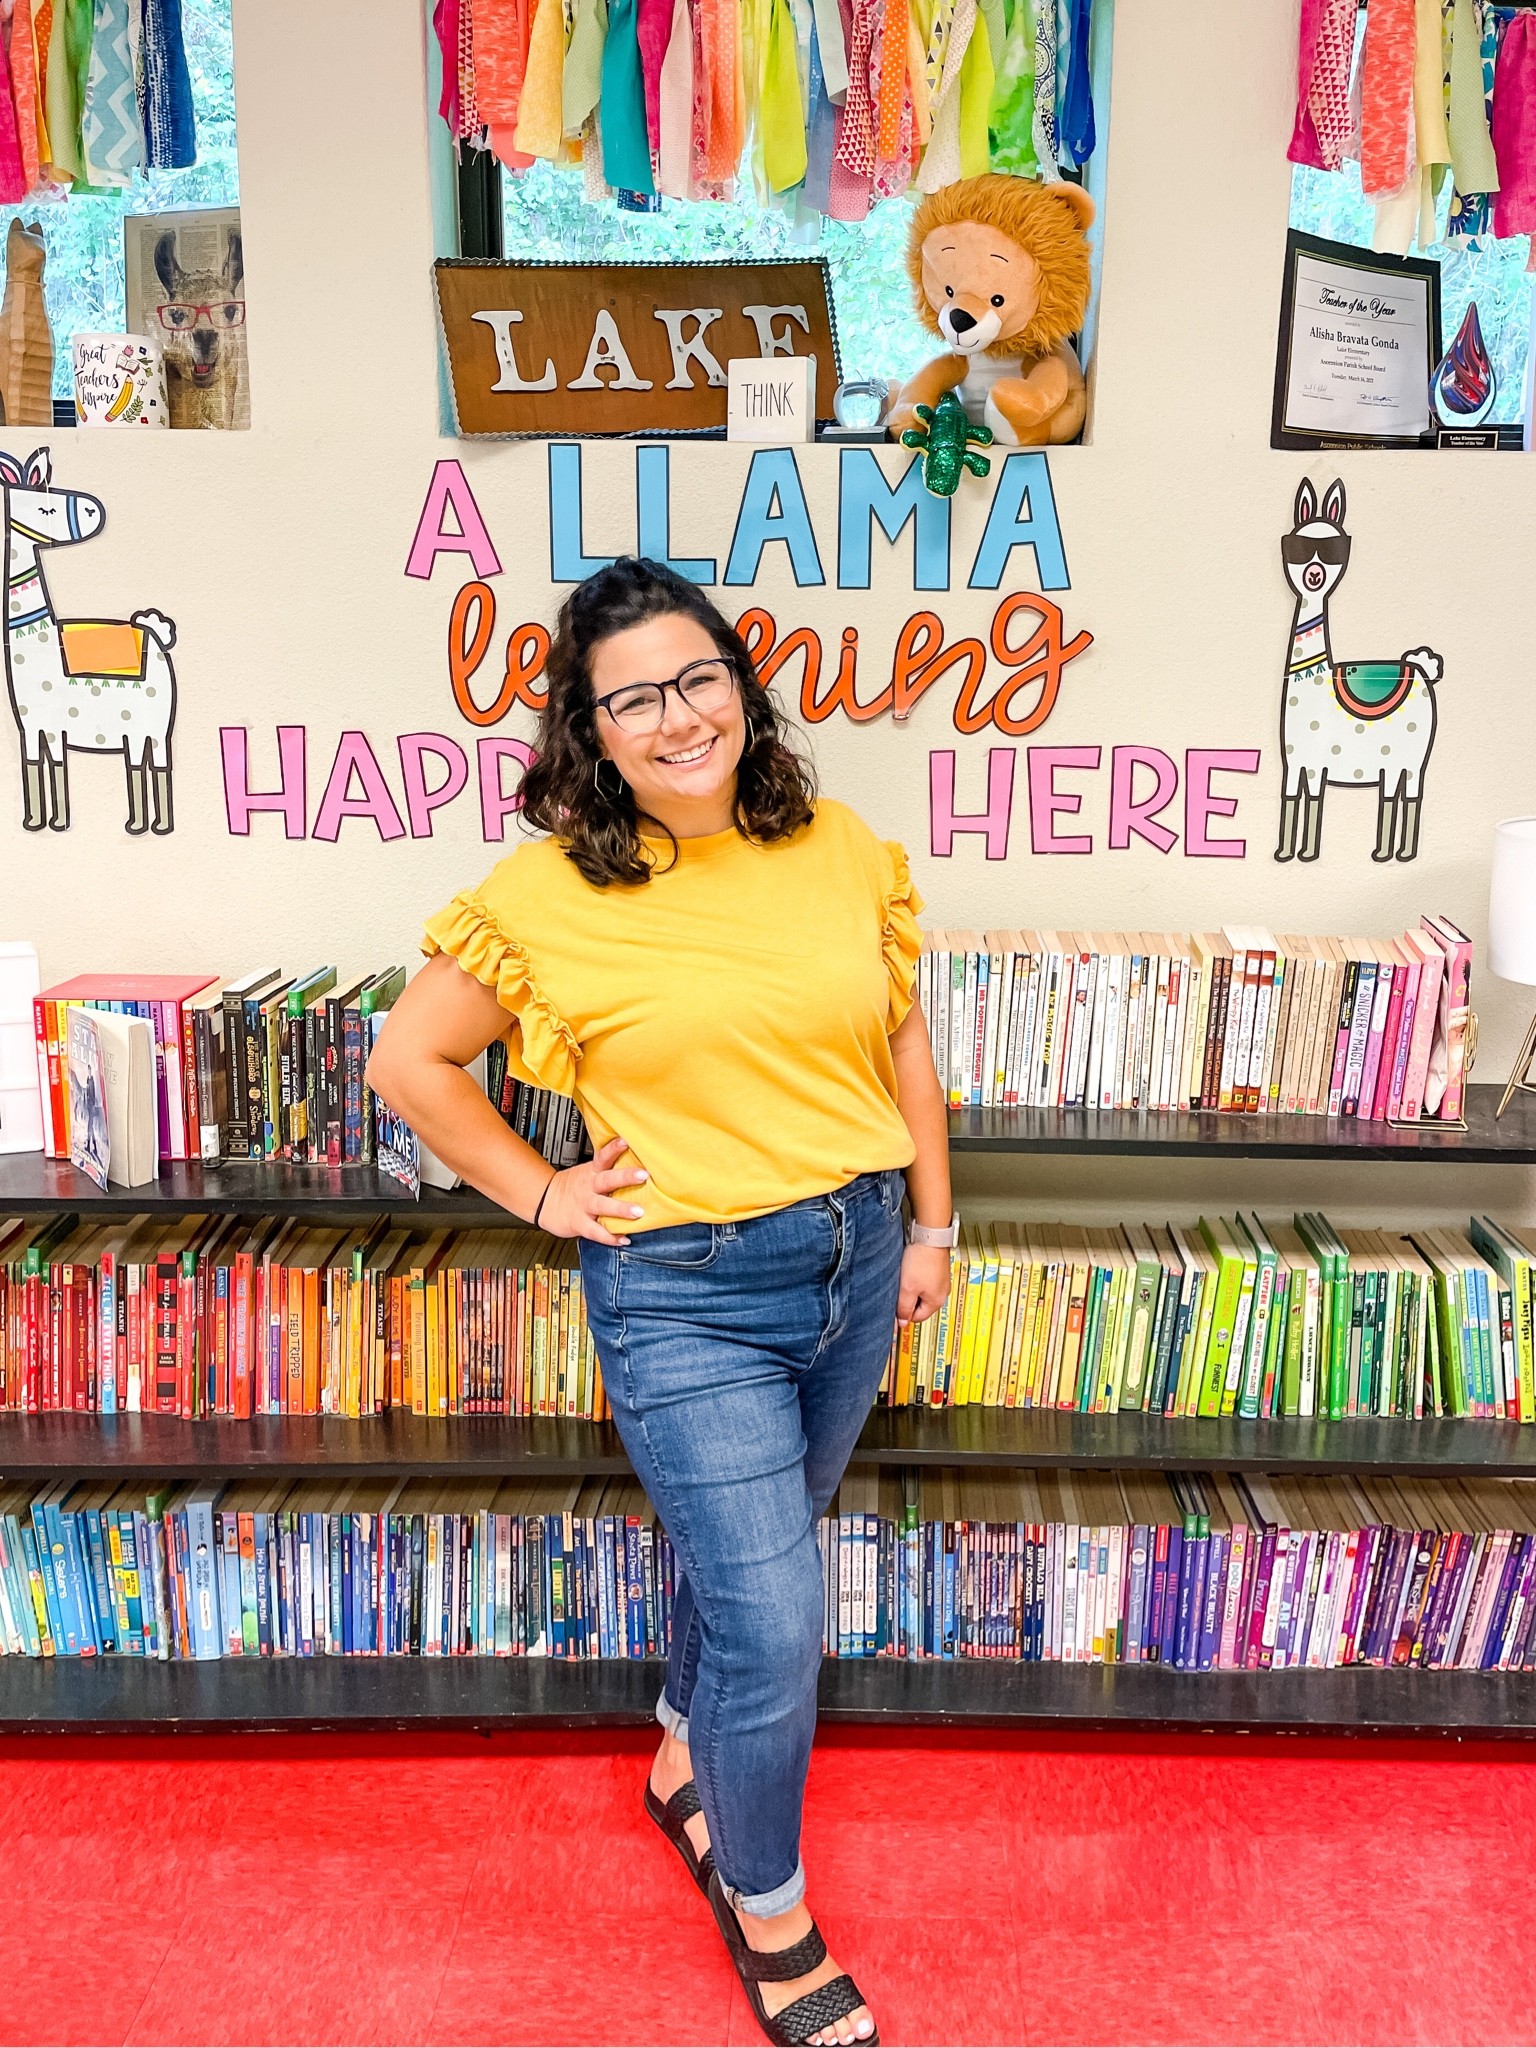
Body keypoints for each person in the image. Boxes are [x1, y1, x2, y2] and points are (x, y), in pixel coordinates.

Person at [367, 557, 953, 2048]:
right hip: (687, 1293)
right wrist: (546, 1194)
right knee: (772, 1616)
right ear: (592, 729)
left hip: (857, 1257)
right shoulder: (547, 890)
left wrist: (936, 1224)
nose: (677, 716)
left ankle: (684, 1753)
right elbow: (408, 1064)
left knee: (746, 1562)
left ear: (743, 689)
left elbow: (899, 1048)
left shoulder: (837, 844)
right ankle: (771, 1908)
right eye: (634, 696)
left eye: (698, 678)